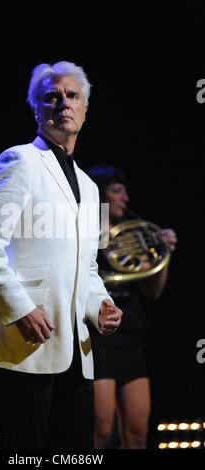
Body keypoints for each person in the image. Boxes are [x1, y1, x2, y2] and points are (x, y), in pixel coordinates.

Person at [0, 61, 123, 449]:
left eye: (72, 96)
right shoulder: (18, 160)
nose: (62, 102)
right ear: (36, 109)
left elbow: (86, 266)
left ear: (85, 108)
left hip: (75, 351)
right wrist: (19, 308)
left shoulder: (90, 186)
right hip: (26, 345)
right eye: (51, 96)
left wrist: (99, 303)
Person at [86, 165, 177, 449]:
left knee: (137, 430)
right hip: (98, 331)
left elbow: (153, 291)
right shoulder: (87, 230)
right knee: (100, 431)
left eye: (125, 191)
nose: (125, 198)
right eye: (117, 191)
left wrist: (165, 255)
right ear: (100, 195)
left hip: (131, 328)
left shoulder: (134, 233)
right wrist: (100, 223)